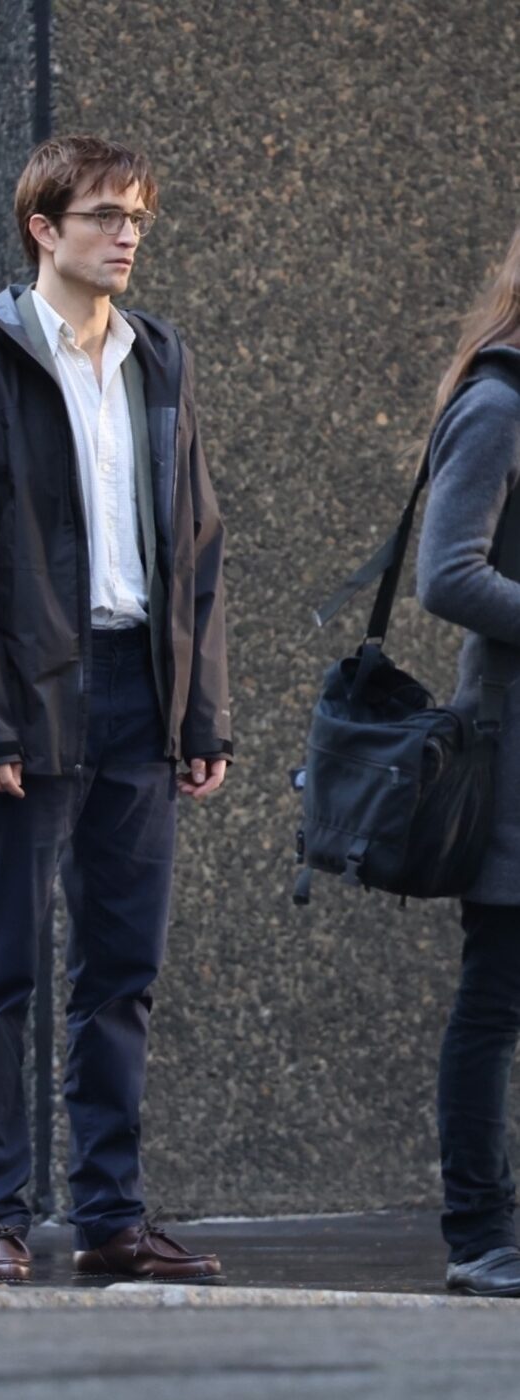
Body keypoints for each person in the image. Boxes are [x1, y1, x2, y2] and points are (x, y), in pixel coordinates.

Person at [0, 135, 232, 1284]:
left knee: (121, 973)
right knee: (0, 973)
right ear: (44, 229)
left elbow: (197, 542)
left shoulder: (158, 356)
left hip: (140, 693)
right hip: (25, 699)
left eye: (137, 215)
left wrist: (202, 710)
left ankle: (110, 1218)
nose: (127, 234)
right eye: (104, 215)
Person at [416, 225, 520, 1297]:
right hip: (511, 753)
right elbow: (447, 574)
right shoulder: (497, 404)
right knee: (495, 1001)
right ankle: (480, 1236)